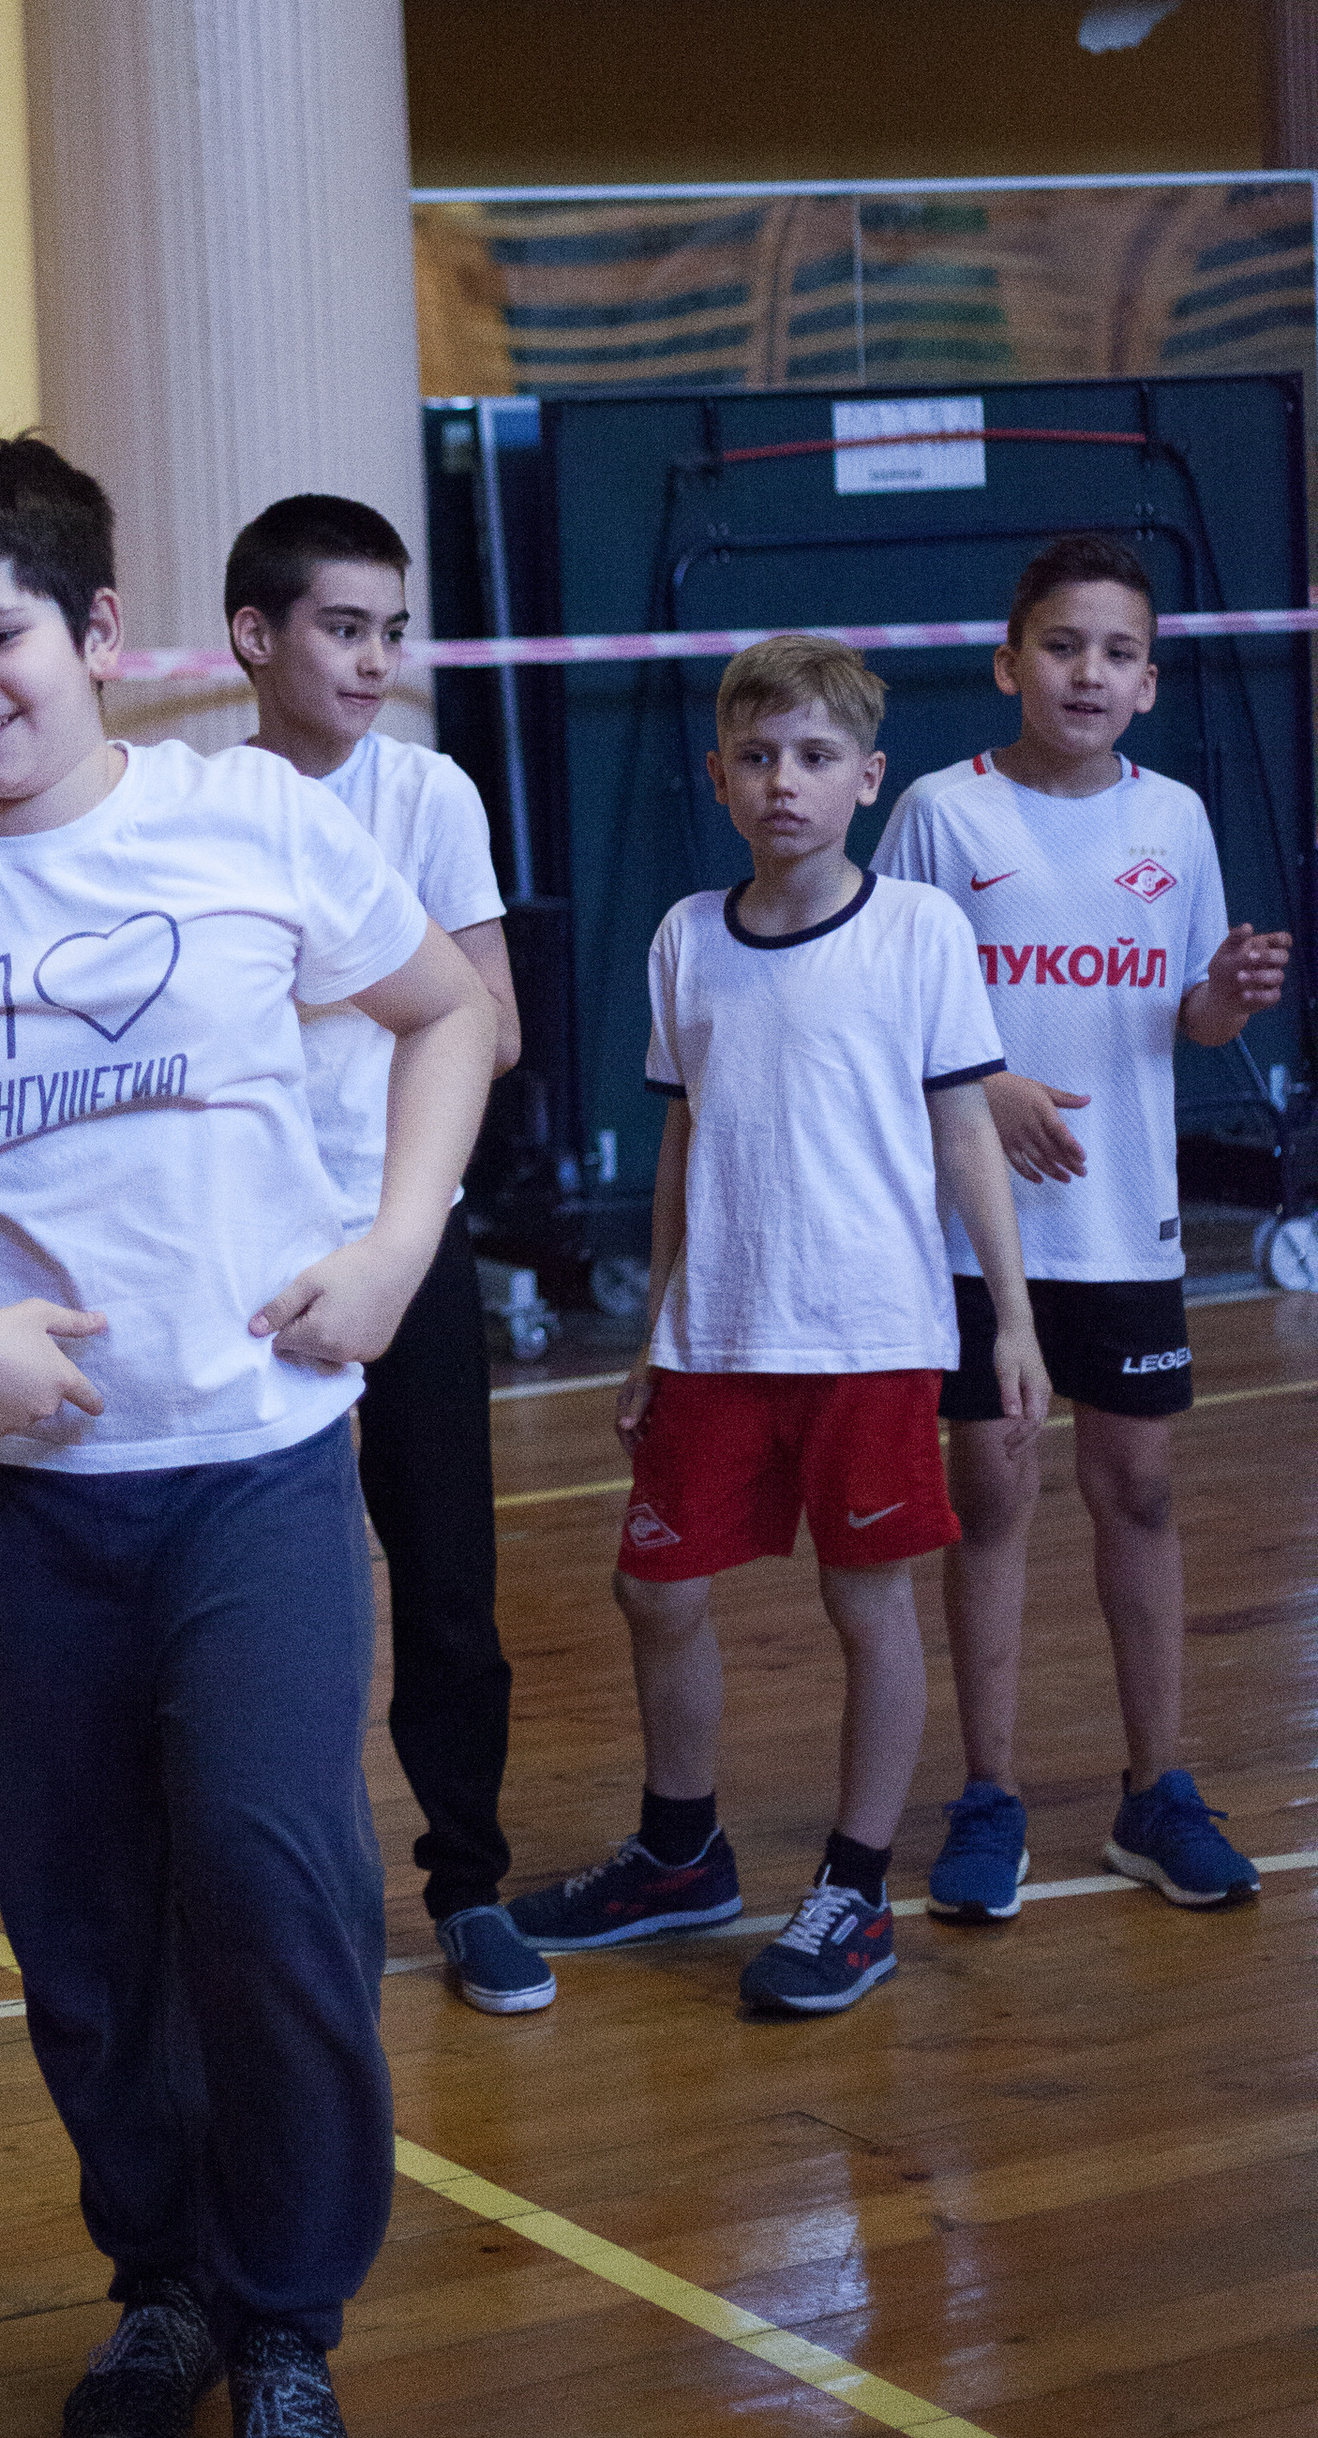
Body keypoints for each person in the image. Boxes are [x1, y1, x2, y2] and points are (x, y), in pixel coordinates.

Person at [0, 434, 499, 2438]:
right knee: (89, 1940)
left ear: (94, 636)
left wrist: (396, 1237)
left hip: (252, 1473)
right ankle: (158, 2287)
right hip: (29, 1511)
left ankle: (283, 2337)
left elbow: (446, 1016)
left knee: (273, 1901)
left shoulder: (252, 820)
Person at [505, 634, 1046, 2016]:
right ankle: (682, 1851)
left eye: (813, 758)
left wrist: (1011, 1321)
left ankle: (854, 1893)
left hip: (871, 1336)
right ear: (720, 776)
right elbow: (685, 1144)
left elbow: (966, 1134)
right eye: (757, 758)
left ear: (866, 778)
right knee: (654, 1590)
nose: (783, 783)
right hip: (714, 1340)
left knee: (865, 1603)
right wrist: (650, 1328)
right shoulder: (686, 936)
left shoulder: (919, 929)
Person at [875, 534, 1288, 1919]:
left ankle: (1154, 1790)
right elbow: (884, 999)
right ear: (1010, 664)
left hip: (1125, 1227)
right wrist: (983, 1088)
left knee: (1144, 1495)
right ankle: (986, 1795)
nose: (1088, 672)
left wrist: (1230, 991)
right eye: (1063, 646)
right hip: (976, 1240)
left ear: (1151, 682)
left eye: (1117, 652)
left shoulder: (1173, 821)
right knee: (991, 1492)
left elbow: (1194, 1016)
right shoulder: (942, 810)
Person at [225, 490, 551, 2018]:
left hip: (404, 1243)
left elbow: (490, 1029)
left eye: (390, 633)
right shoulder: (190, 809)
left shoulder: (429, 797)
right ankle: (278, 1892)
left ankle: (470, 1884)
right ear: (256, 638)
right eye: (342, 630)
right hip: (245, 1264)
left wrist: (361, 1003)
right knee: (267, 1596)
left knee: (446, 1581)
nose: (372, 662)